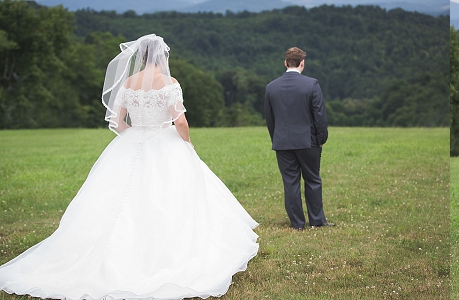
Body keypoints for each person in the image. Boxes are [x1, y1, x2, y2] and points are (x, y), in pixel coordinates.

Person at [0, 34, 259, 299]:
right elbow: (180, 121)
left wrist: (133, 135)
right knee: (169, 196)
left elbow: (116, 120)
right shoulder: (169, 82)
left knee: (119, 197)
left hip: (133, 140)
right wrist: (188, 143)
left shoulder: (129, 82)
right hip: (164, 141)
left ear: (142, 55)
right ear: (161, 56)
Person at [264, 47, 332, 230]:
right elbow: (320, 115)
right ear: (302, 63)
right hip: (308, 141)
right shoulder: (312, 84)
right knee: (313, 180)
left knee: (290, 182)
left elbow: (270, 119)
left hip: (282, 142)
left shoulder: (271, 87)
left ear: (285, 63)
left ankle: (297, 224)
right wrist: (321, 138)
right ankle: (317, 221)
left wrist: (276, 138)